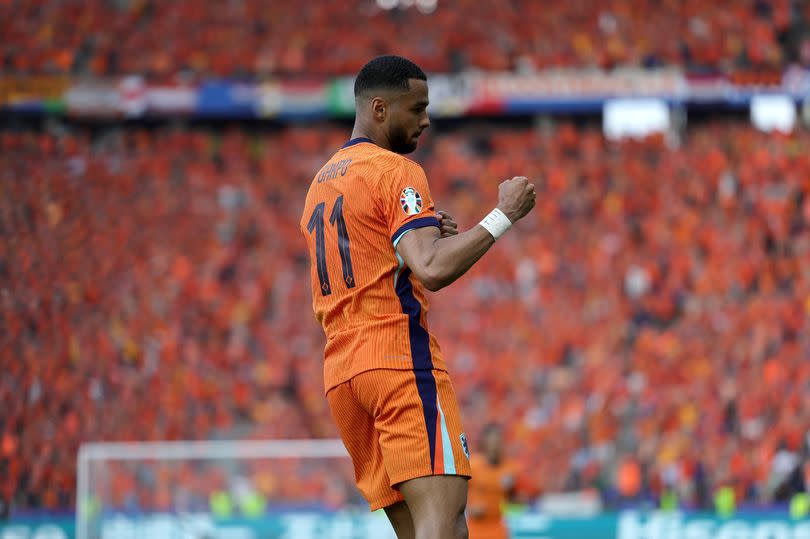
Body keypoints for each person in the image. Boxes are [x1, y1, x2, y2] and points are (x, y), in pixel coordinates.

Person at [300, 55, 536, 539]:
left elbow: (383, 257)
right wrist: (502, 215)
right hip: (396, 361)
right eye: (418, 108)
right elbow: (431, 268)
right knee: (444, 521)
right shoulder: (396, 170)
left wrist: (419, 241)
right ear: (380, 109)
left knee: (425, 529)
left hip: (343, 375)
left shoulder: (321, 184)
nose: (427, 119)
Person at [467, 424, 516, 539]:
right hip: (476, 527)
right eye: (492, 442)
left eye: (498, 442)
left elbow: (516, 498)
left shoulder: (510, 468)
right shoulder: (473, 466)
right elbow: (458, 494)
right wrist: (469, 508)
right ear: (485, 443)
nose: (495, 446)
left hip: (498, 526)